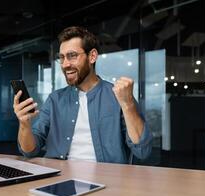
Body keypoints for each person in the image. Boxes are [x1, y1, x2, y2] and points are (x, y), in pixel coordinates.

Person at [13, 26, 152, 164]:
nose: (65, 64)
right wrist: (24, 124)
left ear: (92, 56)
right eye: (61, 58)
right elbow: (29, 151)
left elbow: (142, 151)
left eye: (72, 56)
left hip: (107, 179)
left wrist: (128, 105)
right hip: (58, 177)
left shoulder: (119, 96)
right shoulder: (55, 99)